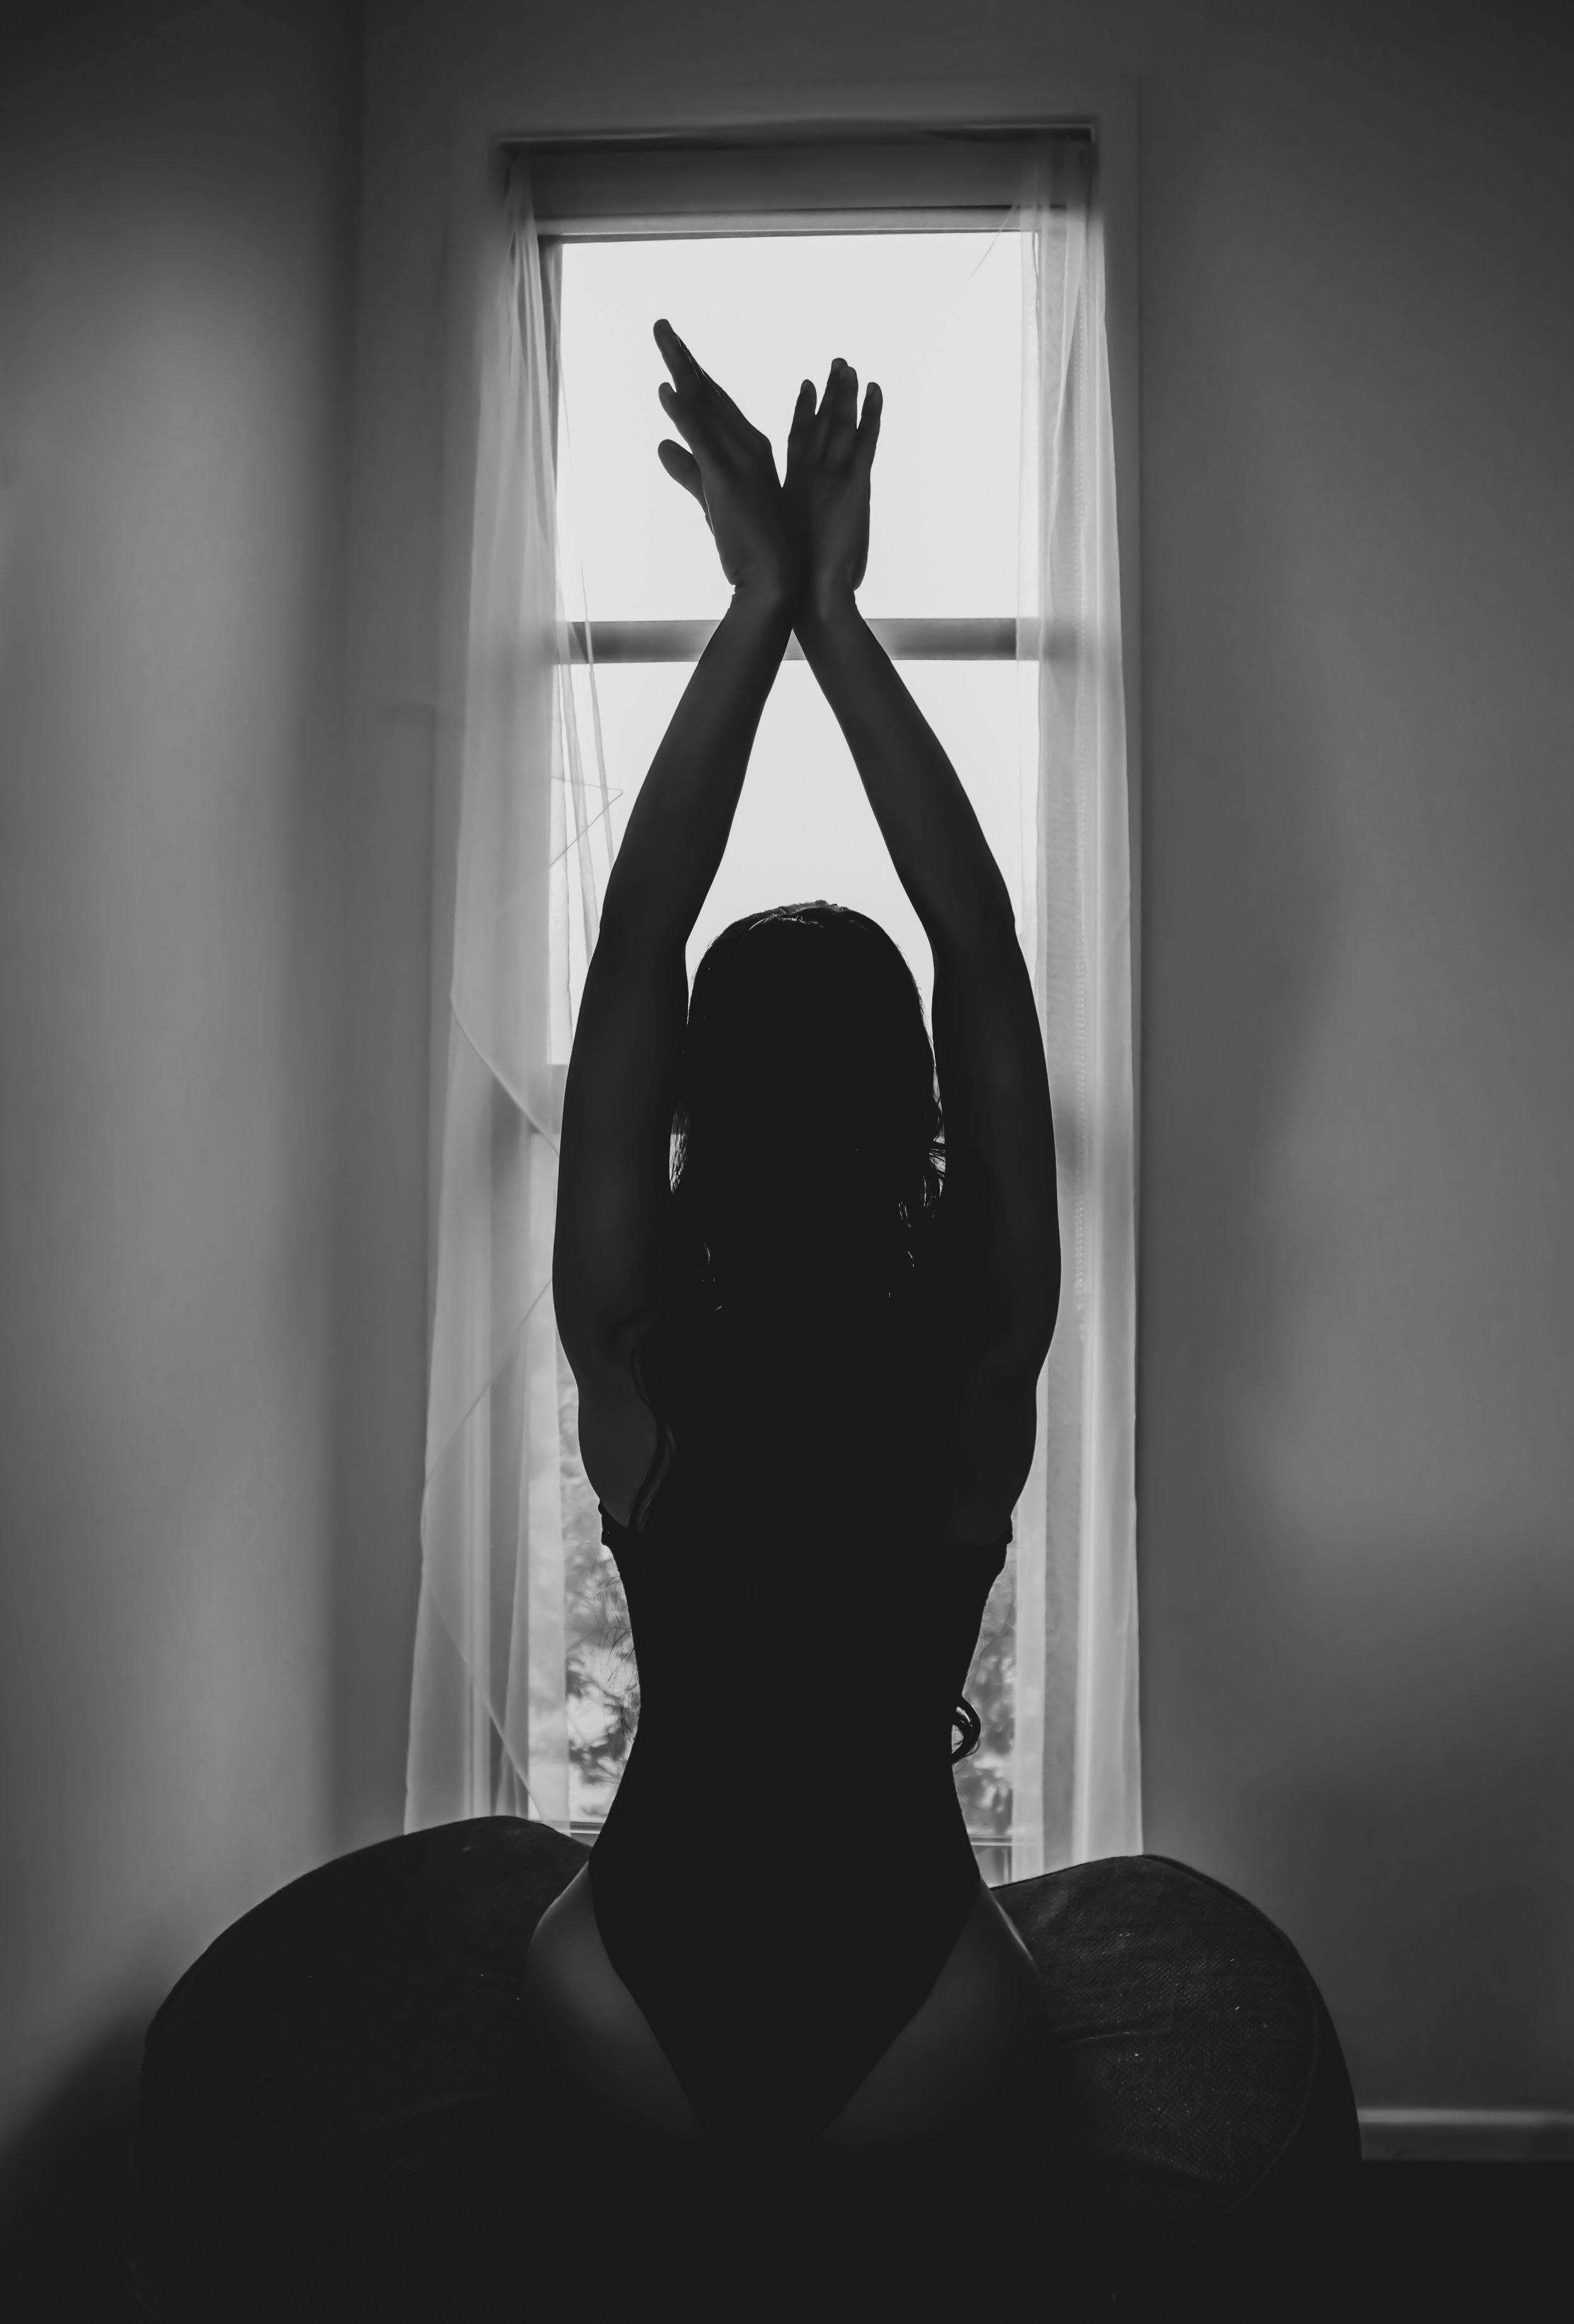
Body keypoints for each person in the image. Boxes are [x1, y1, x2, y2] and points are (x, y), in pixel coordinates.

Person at [521, 319, 1062, 2289]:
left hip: (625, 2030)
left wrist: (755, 606)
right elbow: (979, 936)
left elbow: (639, 929)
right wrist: (837, 618)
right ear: (910, 1102)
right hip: (926, 2026)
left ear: (700, 1110)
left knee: (572, 1926)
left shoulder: (633, 1334)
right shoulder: (978, 1343)